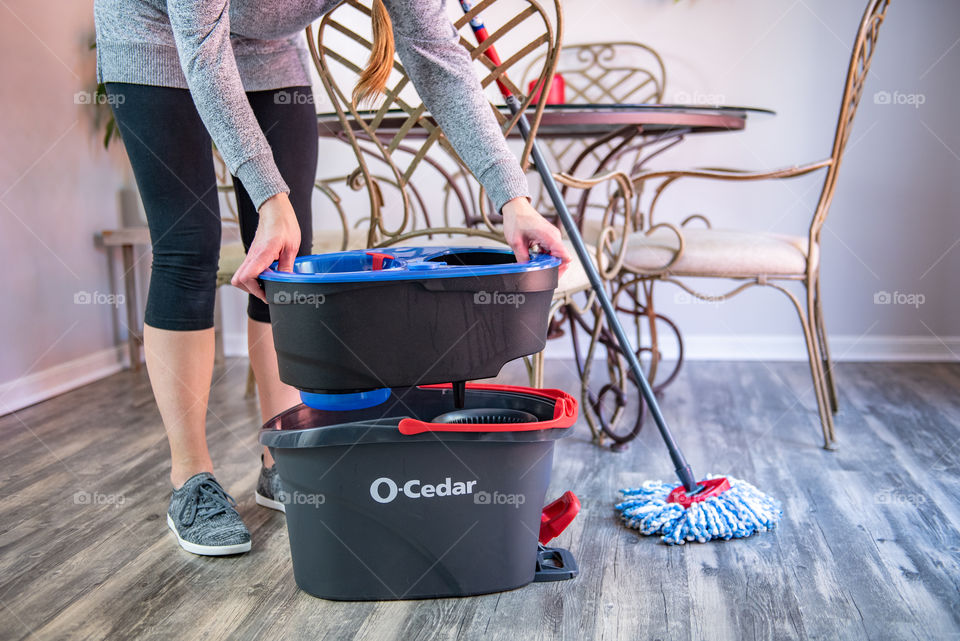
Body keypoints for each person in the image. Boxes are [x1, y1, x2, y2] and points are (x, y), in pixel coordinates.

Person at [94, 0, 571, 556]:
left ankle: (283, 455)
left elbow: (439, 59)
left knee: (290, 263)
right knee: (189, 247)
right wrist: (270, 196)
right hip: (156, 37)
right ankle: (191, 479)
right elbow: (203, 49)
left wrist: (513, 198)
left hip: (268, 51)